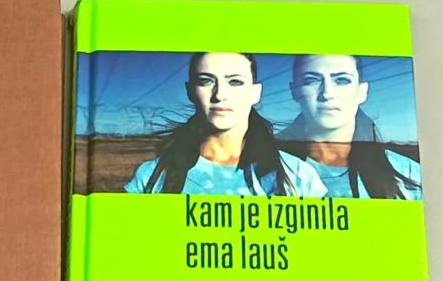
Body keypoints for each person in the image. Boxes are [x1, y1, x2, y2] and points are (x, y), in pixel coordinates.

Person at [124, 52, 326, 197]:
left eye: (235, 82)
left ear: (255, 93)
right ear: (190, 91)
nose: (219, 95)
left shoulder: (298, 175)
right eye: (206, 81)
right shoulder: (151, 176)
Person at [278, 54, 422, 200]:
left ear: (362, 91)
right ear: (294, 91)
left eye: (342, 80)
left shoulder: (408, 173)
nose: (327, 93)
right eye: (311, 80)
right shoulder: (270, 172)